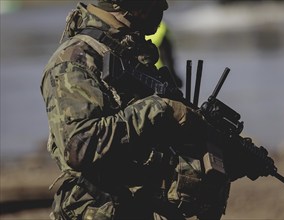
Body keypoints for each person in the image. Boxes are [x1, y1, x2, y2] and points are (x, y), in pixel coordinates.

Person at [41, 0, 268, 219]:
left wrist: (228, 156)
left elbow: (163, 143)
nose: (164, 6)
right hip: (99, 210)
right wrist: (159, 108)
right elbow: (79, 146)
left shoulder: (129, 53)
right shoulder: (74, 59)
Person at [146, 21, 183, 87]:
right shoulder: (161, 28)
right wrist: (174, 77)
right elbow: (167, 56)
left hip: (141, 74)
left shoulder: (136, 24)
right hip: (160, 75)